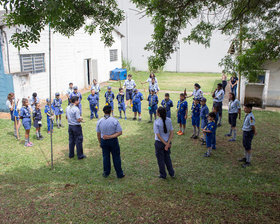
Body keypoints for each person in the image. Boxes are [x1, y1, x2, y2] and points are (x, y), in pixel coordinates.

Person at [96, 105, 125, 178]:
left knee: (105, 157)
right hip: (113, 141)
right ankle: (119, 173)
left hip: (104, 140)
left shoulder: (99, 121)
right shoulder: (114, 121)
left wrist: (100, 142)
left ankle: (106, 172)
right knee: (116, 157)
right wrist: (110, 136)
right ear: (111, 111)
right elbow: (120, 132)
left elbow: (98, 134)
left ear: (103, 112)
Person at [153, 107, 175, 179]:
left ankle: (163, 175)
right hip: (167, 142)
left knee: (160, 160)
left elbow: (158, 135)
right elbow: (171, 132)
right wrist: (168, 143)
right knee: (167, 158)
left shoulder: (156, 122)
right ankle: (171, 173)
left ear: (158, 114)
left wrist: (165, 144)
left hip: (159, 143)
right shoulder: (169, 120)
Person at [239, 104, 256, 168]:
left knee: (248, 146)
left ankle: (248, 161)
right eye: (244, 108)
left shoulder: (251, 117)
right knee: (245, 145)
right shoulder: (247, 115)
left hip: (248, 133)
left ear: (250, 109)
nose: (244, 109)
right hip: (245, 132)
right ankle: (245, 157)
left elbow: (252, 125)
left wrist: (254, 131)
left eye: (246, 108)